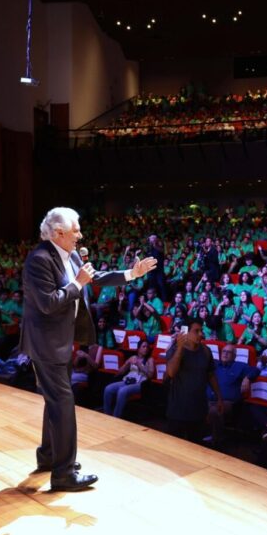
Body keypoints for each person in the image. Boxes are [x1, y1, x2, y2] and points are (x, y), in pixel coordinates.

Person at [20, 207, 156, 492]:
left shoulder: (72, 254)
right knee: (63, 405)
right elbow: (48, 302)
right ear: (59, 233)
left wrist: (133, 272)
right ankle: (64, 474)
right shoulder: (39, 260)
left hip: (60, 341)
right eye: (76, 230)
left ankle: (49, 457)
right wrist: (77, 283)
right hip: (46, 345)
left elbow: (97, 276)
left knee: (55, 401)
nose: (81, 234)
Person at [165, 318, 223, 443]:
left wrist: (219, 397)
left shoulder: (206, 351)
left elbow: (211, 375)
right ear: (186, 333)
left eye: (201, 330)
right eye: (196, 331)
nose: (201, 334)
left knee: (196, 446)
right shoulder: (175, 350)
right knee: (174, 447)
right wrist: (180, 348)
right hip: (178, 410)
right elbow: (171, 372)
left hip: (198, 409)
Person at [206, 343, 258, 447]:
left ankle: (216, 441)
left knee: (214, 410)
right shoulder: (214, 364)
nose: (225, 354)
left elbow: (255, 370)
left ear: (234, 356)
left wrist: (247, 378)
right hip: (207, 400)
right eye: (224, 351)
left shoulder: (240, 366)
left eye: (229, 352)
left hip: (228, 403)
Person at [102, 339, 155, 418]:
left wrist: (140, 365)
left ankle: (116, 416)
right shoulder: (133, 357)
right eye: (143, 346)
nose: (146, 348)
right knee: (108, 389)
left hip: (140, 383)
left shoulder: (150, 360)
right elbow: (120, 372)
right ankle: (107, 414)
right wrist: (127, 363)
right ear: (138, 349)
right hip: (128, 380)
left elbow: (150, 375)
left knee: (122, 391)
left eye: (147, 347)